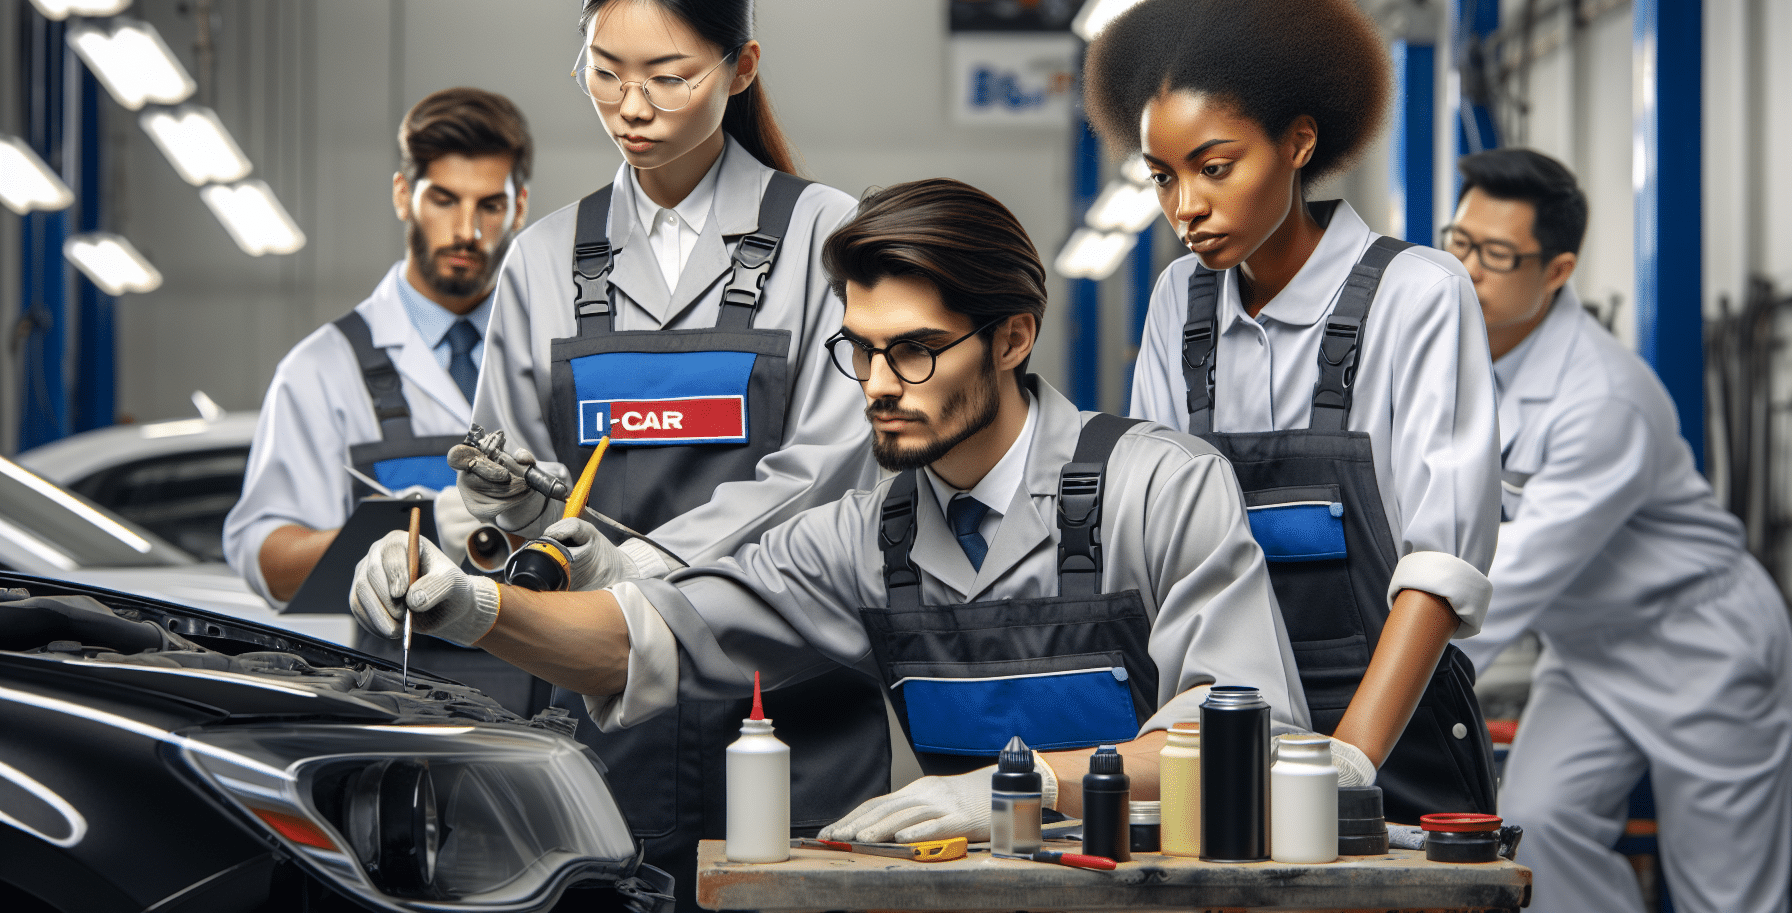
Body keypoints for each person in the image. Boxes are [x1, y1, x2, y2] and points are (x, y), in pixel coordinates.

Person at [351, 177, 1310, 843]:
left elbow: (1248, 734)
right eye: (860, 350)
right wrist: (472, 607)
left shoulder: (1162, 490)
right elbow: (644, 640)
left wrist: (1021, 787)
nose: (878, 386)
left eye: (916, 351)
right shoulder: (859, 538)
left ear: (1013, 337)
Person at [439, 0, 887, 910]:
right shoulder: (545, 258)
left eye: (668, 76)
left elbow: (825, 476)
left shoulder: (829, 237)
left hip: (790, 729)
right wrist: (483, 526)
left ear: (740, 68)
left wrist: (636, 570)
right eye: (605, 73)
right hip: (598, 731)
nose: (630, 109)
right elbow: (504, 490)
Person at [1088, 0, 1501, 823]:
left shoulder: (1417, 293)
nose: (1184, 206)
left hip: (1394, 740)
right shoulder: (1179, 305)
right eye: (1163, 176)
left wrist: (1348, 760)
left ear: (1299, 143)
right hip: (1221, 736)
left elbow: (1441, 564)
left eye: (1215, 166)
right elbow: (1162, 545)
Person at [1445, 148, 1792, 913]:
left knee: (1724, 894)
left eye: (1496, 255)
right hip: (1590, 652)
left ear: (1557, 271)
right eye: (1459, 242)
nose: (1467, 268)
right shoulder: (1460, 362)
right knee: (1534, 827)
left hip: (1700, 647)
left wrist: (1384, 693)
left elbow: (1517, 577)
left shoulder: (1602, 397)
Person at [225, 87, 531, 605]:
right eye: (443, 199)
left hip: (543, 676)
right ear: (401, 195)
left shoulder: (544, 353)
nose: (466, 231)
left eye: (490, 205)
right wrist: (411, 532)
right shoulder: (322, 370)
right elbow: (270, 564)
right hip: (395, 680)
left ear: (519, 207)